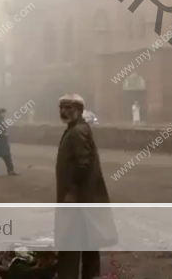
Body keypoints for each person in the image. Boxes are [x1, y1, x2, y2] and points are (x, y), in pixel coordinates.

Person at [55, 93, 116, 279]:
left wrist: (72, 193)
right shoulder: (76, 129)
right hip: (84, 199)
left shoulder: (77, 132)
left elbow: (84, 163)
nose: (63, 111)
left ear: (79, 110)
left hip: (78, 199)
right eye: (61, 108)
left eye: (68, 108)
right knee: (89, 241)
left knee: (70, 242)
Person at [0, 108, 18, 176]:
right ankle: (10, 170)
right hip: (0, 141)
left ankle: (10, 170)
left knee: (6, 157)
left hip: (4, 142)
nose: (4, 114)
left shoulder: (2, 121)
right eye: (2, 113)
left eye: (4, 113)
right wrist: (3, 134)